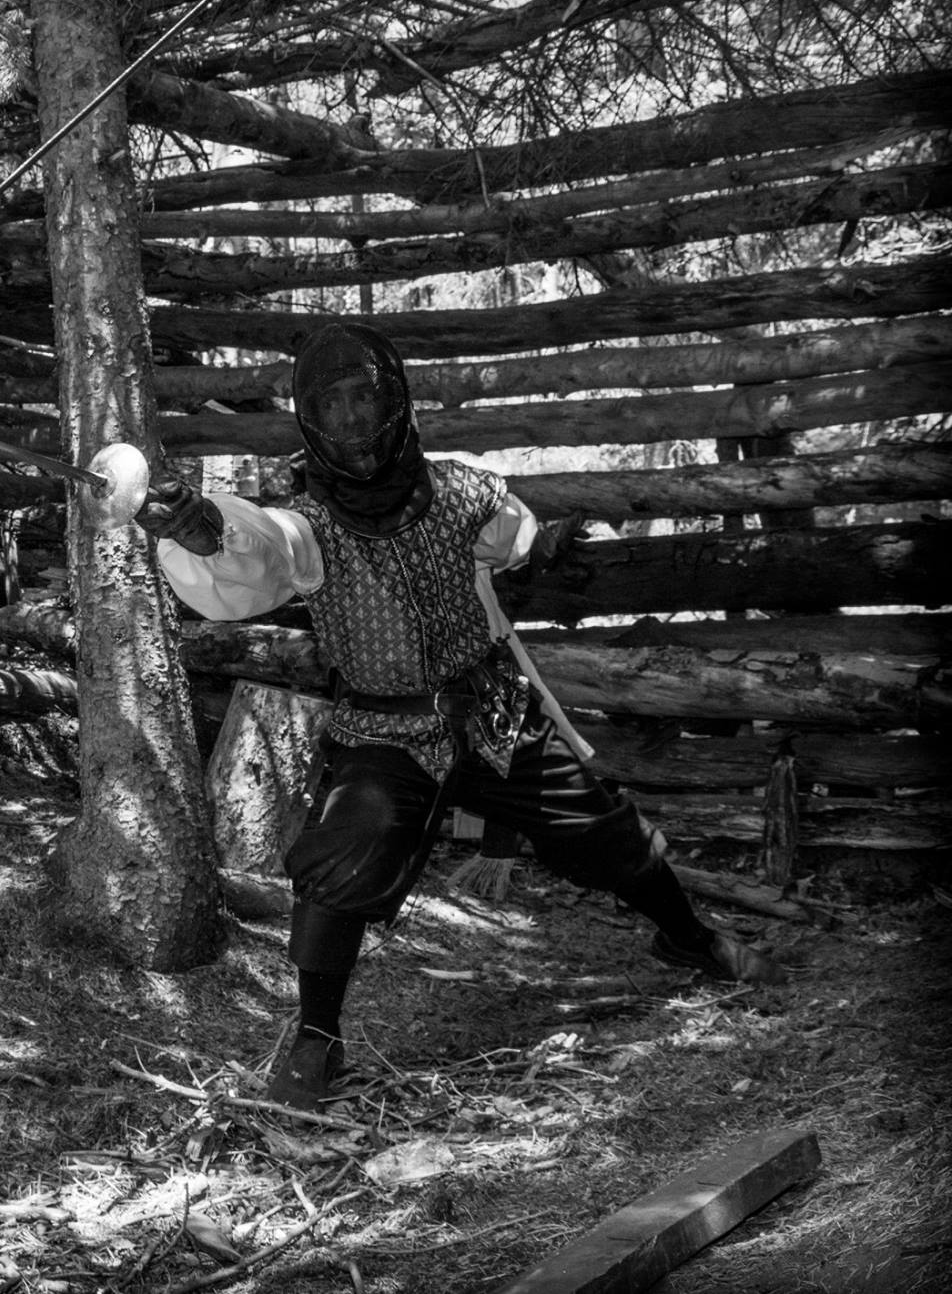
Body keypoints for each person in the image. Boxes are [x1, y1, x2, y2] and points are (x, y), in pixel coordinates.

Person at [134, 322, 783, 1112]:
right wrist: (206, 528)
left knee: (602, 827)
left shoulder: (462, 490)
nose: (348, 419)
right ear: (309, 419)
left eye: (361, 396)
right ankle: (316, 1039)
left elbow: (516, 535)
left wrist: (546, 550)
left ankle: (686, 936)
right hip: (383, 731)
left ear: (394, 399)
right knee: (347, 847)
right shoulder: (309, 526)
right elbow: (258, 549)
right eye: (329, 404)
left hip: (492, 712)